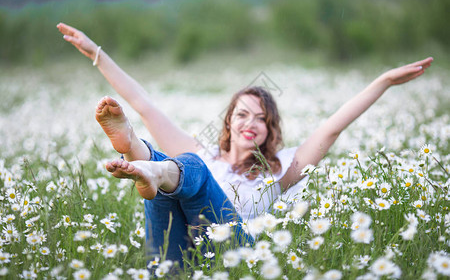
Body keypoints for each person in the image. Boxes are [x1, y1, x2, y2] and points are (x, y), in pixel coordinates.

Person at [56, 22, 433, 264]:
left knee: (189, 168)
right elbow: (144, 104)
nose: (251, 123)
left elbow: (332, 128)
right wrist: (97, 54)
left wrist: (382, 81)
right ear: (228, 123)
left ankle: (142, 157)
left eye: (261, 118)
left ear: (271, 131)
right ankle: (144, 160)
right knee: (183, 170)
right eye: (242, 114)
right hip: (176, 259)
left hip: (231, 255)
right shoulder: (205, 153)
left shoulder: (282, 170)